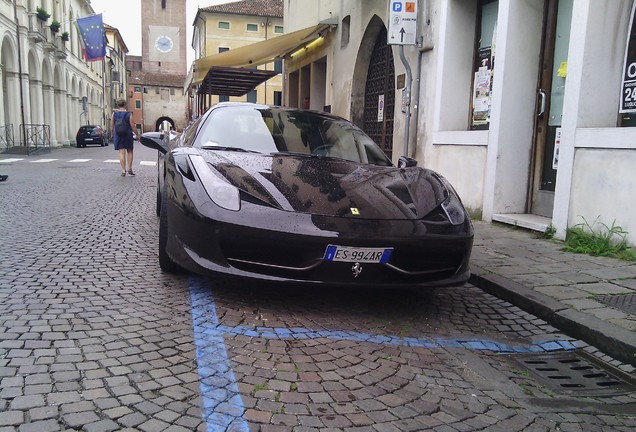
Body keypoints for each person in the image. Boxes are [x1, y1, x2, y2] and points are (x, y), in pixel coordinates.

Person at [110, 98, 138, 176]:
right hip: (128, 134)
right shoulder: (129, 114)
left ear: (118, 105)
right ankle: (130, 169)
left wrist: (112, 133)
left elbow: (112, 125)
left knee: (121, 152)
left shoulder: (114, 114)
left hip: (118, 134)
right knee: (130, 151)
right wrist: (137, 135)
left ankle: (123, 170)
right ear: (125, 104)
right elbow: (132, 125)